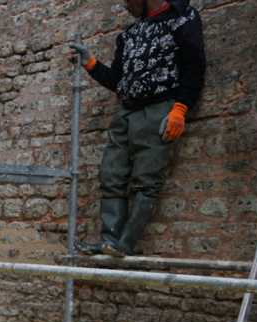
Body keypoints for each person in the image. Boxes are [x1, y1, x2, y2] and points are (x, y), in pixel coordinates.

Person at [70, 0, 206, 258]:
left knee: (146, 180)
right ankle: (108, 240)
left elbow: (195, 66)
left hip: (160, 108)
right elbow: (118, 81)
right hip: (128, 112)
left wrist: (180, 109)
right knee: (110, 175)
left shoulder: (182, 18)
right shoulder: (129, 35)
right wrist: (90, 63)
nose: (125, 6)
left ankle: (124, 245)